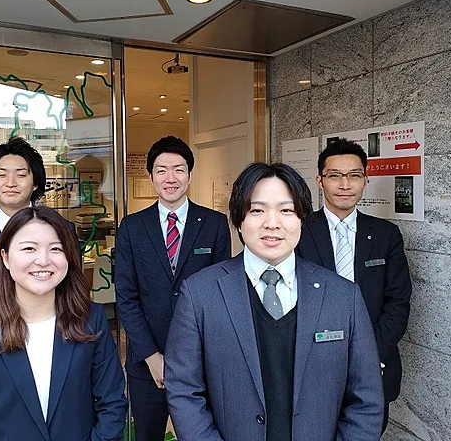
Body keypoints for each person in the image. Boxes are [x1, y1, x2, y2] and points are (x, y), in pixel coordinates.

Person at [164, 162, 384, 441]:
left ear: (301, 219)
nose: (272, 223)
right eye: (257, 210)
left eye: (286, 210)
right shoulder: (200, 294)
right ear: (239, 220)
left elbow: (366, 400)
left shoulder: (343, 296)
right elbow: (183, 390)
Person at [0, 205, 127, 440]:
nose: (43, 260)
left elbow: (112, 404)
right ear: (5, 257)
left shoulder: (91, 321)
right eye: (29, 248)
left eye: (56, 249)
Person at [115, 136, 231, 441]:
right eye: (162, 170)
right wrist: (152, 356)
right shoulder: (132, 227)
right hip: (146, 362)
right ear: (151, 176)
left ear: (190, 175)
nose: (171, 178)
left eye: (179, 169)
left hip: (201, 360)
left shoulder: (214, 224)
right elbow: (126, 297)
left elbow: (221, 295)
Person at [296, 138, 412, 434]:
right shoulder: (299, 231)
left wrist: (367, 354)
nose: (345, 184)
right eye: (335, 175)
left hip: (374, 365)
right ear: (320, 181)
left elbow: (398, 302)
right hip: (310, 365)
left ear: (365, 180)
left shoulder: (386, 234)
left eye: (354, 175)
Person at [0, 136, 78, 317]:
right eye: (2, 175)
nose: (10, 183)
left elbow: (71, 284)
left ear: (35, 183)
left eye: (21, 175)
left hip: (47, 327)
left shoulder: (62, 230)